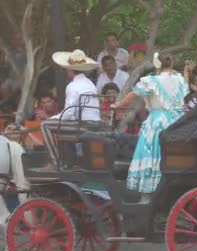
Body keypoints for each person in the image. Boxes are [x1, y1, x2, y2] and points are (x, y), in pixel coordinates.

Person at [111, 51, 188, 199]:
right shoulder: (179, 79)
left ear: (157, 65)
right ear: (171, 64)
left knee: (151, 155)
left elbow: (134, 94)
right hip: (177, 121)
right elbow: (184, 92)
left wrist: (118, 104)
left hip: (158, 120)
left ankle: (147, 194)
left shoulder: (151, 80)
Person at [40, 49, 101, 169]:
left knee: (45, 125)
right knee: (62, 125)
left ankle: (54, 163)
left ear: (70, 70)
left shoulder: (72, 86)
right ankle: (70, 161)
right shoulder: (90, 83)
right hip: (95, 122)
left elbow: (68, 114)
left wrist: (52, 118)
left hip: (83, 125)